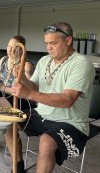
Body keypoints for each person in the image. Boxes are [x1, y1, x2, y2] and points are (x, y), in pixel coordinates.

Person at [6, 22, 95, 173]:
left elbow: (68, 100)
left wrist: (28, 94)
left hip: (71, 122)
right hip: (43, 114)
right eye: (47, 43)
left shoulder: (81, 64)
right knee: (8, 122)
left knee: (46, 141)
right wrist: (22, 77)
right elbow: (34, 87)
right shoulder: (44, 60)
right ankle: (18, 168)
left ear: (68, 40)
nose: (48, 47)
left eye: (53, 43)